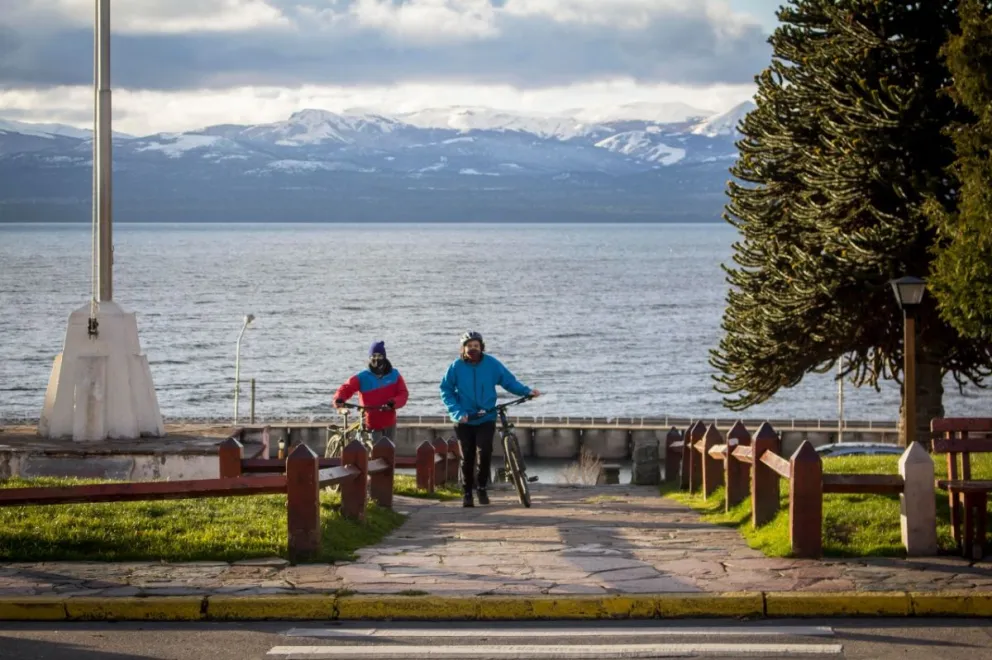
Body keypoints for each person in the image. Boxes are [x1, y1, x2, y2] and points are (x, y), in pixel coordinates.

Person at [439, 331, 541, 507]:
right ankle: (467, 492)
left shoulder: (492, 364)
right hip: (464, 419)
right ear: (463, 349)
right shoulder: (456, 367)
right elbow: (446, 390)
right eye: (469, 346)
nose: (473, 349)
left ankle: (482, 488)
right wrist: (458, 412)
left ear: (481, 347)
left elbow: (508, 381)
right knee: (468, 456)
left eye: (476, 346)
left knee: (485, 452)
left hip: (486, 416)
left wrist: (527, 391)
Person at [334, 340, 408, 442]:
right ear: (370, 357)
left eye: (380, 356)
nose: (376, 359)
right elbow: (346, 388)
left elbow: (403, 393)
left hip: (389, 423)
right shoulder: (362, 377)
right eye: (374, 356)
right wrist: (339, 398)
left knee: (389, 450)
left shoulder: (395, 375)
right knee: (372, 449)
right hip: (370, 423)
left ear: (384, 357)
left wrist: (394, 403)